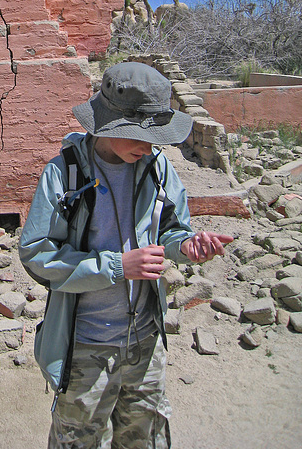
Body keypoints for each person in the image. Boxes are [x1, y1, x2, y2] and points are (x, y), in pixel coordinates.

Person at [19, 61, 233, 449]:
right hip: (85, 344)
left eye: (155, 138)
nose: (148, 147)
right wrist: (117, 266)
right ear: (107, 125)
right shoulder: (64, 174)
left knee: (146, 440)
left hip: (145, 342)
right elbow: (37, 253)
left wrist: (185, 246)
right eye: (138, 136)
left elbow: (171, 228)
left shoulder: (157, 167)